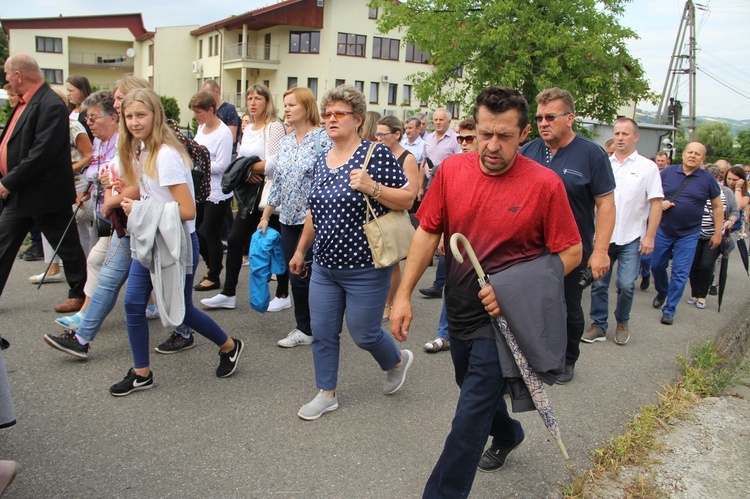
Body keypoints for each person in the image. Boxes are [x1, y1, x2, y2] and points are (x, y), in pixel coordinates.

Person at [390, 86, 582, 498]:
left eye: (506, 137)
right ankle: (509, 432)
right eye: (484, 134)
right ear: (474, 129)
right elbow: (427, 232)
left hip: (505, 321)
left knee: (467, 420)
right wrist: (403, 294)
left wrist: (513, 287)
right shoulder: (453, 171)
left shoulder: (545, 185)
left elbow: (571, 251)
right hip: (459, 309)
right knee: (470, 388)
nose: (492, 146)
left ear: (524, 133)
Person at [288, 84, 415, 421]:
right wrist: (302, 250)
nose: (331, 119)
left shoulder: (375, 154)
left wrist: (371, 187)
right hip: (324, 268)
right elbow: (315, 211)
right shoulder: (320, 160)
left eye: (339, 114)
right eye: (327, 114)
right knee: (324, 332)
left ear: (357, 119)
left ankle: (397, 360)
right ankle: (325, 393)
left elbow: (407, 200)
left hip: (365, 267)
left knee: (364, 333)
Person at [110, 87, 243, 396]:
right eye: (128, 116)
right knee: (132, 304)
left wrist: (138, 209)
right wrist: (132, 194)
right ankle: (142, 373)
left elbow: (187, 210)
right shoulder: (144, 150)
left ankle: (229, 345)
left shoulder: (166, 155)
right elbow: (152, 195)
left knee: (180, 311)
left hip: (174, 243)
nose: (134, 121)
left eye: (140, 115)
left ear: (156, 116)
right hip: (151, 239)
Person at [519, 87, 615, 383]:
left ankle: (567, 358)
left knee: (567, 308)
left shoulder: (592, 154)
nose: (543, 123)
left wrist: (600, 251)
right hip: (531, 248)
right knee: (530, 306)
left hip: (572, 249)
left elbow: (606, 204)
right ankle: (532, 359)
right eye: (539, 118)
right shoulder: (529, 151)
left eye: (550, 117)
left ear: (570, 118)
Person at [0, 54, 88, 313]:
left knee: (68, 246)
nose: (6, 78)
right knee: (3, 241)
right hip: (22, 192)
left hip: (44, 193)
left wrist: (10, 181)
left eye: (7, 73)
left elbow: (42, 152)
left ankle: (80, 294)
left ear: (18, 75)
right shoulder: (25, 102)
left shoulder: (50, 103)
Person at [201, 84, 287, 310]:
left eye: (258, 98)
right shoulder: (248, 128)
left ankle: (283, 292)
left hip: (270, 194)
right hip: (249, 194)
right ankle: (228, 293)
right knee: (237, 239)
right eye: (250, 97)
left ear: (267, 101)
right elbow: (239, 160)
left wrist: (248, 169)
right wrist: (247, 171)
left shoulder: (274, 126)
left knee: (276, 243)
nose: (253, 102)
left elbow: (275, 164)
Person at [258, 87, 332, 348]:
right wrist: (266, 215)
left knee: (314, 276)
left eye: (292, 105)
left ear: (307, 107)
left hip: (315, 219)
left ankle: (319, 326)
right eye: (285, 104)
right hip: (288, 218)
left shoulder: (323, 139)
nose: (286, 109)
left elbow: (329, 179)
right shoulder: (287, 141)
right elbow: (278, 181)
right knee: (295, 274)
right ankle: (304, 327)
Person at [583, 118, 663, 345]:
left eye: (625, 134)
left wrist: (650, 236)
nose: (619, 137)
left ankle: (622, 321)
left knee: (627, 284)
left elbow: (656, 203)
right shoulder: (604, 164)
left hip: (631, 236)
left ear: (635, 137)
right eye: (617, 133)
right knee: (598, 284)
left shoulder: (647, 167)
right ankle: (598, 325)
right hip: (604, 236)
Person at [650, 142, 723, 325]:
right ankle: (663, 290)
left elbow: (717, 207)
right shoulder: (667, 172)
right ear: (683, 154)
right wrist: (663, 202)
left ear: (703, 158)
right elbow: (653, 195)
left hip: (689, 234)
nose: (692, 156)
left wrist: (718, 233)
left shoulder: (707, 179)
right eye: (689, 152)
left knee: (680, 272)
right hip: (664, 229)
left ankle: (670, 309)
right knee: (656, 265)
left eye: (697, 154)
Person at [424, 117, 478, 353]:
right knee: (451, 287)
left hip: (484, 243)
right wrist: (444, 234)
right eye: (461, 139)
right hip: (456, 239)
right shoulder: (453, 166)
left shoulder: (493, 168)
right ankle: (443, 334)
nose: (464, 143)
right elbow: (445, 207)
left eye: (469, 138)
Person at [29, 88, 93, 285]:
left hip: (75, 183)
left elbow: (89, 155)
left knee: (78, 229)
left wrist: (68, 169)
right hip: (54, 184)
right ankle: (54, 267)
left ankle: (87, 272)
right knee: (50, 224)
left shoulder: (73, 127)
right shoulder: (45, 128)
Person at [375, 115, 420, 321]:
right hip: (374, 214)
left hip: (393, 216)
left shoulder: (407, 158)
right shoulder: (375, 154)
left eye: (382, 134)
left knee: (391, 263)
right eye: (377, 134)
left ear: (397, 134)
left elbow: (411, 194)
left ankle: (389, 303)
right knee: (376, 262)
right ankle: (376, 300)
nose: (378, 138)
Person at [189, 91, 234, 292]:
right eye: (194, 113)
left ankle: (214, 274)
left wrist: (198, 164)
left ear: (210, 110)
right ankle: (210, 266)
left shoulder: (223, 133)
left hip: (217, 192)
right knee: (197, 229)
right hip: (201, 188)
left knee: (209, 232)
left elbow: (223, 165)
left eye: (199, 112)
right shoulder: (201, 128)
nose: (196, 117)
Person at [686, 164, 737, 309]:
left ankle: (702, 296)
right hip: (694, 233)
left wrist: (730, 220)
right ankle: (694, 293)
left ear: (717, 179)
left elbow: (734, 211)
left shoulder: (726, 192)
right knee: (694, 265)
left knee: (706, 265)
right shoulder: (696, 189)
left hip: (714, 235)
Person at [420, 108, 461, 194]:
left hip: (446, 184)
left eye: (441, 120)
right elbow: (424, 163)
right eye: (436, 120)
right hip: (428, 184)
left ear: (449, 122)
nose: (438, 122)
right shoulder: (428, 138)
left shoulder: (456, 139)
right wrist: (420, 187)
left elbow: (459, 165)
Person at [201, 79, 240, 148]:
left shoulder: (229, 109)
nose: (205, 97)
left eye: (207, 92)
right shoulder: (207, 111)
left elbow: (232, 137)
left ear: (217, 91)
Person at [65, 74, 93, 141]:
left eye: (71, 91)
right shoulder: (68, 110)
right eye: (67, 91)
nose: (68, 94)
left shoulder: (90, 112)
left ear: (82, 91)